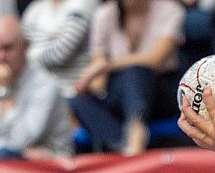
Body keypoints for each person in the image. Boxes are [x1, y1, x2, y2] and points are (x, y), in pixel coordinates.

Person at [69, 0, 183, 156]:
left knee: (135, 72)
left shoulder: (170, 9)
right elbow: (98, 79)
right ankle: (122, 146)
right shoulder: (105, 13)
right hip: (119, 93)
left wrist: (107, 65)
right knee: (78, 101)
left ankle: (136, 132)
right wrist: (87, 85)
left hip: (158, 92)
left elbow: (155, 60)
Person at [0, 15, 72, 160]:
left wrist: (4, 94)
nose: (0, 57)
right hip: (0, 172)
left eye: (7, 48)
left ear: (25, 46)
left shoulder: (46, 86)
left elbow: (20, 141)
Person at [20, 0, 95, 103]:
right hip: (34, 92)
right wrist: (52, 39)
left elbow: (60, 54)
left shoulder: (83, 3)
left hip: (70, 94)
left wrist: (34, 48)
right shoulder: (36, 8)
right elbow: (19, 46)